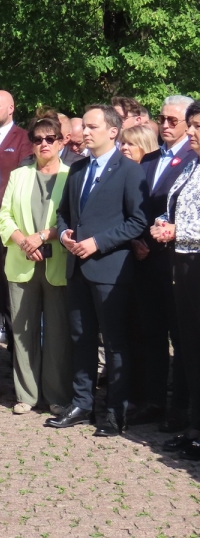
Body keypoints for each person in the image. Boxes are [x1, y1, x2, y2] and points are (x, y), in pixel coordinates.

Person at [48, 104, 148, 437]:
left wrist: (98, 242)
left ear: (113, 131)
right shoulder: (78, 169)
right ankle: (82, 403)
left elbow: (138, 220)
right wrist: (64, 233)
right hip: (77, 268)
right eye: (84, 126)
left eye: (92, 127)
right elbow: (63, 212)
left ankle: (115, 412)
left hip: (110, 270)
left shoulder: (129, 171)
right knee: (82, 339)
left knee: (116, 343)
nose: (85, 132)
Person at [128, 96, 197, 429]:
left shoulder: (193, 159)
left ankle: (181, 408)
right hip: (145, 257)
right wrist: (137, 239)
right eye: (163, 119)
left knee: (181, 338)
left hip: (179, 261)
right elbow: (138, 206)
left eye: (174, 120)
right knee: (150, 332)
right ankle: (152, 400)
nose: (165, 125)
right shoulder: (150, 158)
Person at [0, 118, 72, 415]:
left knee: (58, 334)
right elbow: (4, 217)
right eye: (38, 139)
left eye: (50, 138)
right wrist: (23, 241)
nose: (44, 144)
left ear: (61, 142)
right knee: (22, 333)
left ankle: (57, 395)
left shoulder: (71, 175)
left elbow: (72, 218)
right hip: (21, 261)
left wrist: (41, 237)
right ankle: (26, 395)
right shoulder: (19, 175)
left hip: (58, 264)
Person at [150, 100, 200, 459]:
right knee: (188, 347)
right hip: (181, 264)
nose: (191, 132)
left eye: (198, 127)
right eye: (192, 126)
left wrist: (178, 230)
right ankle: (194, 426)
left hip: (196, 260)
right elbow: (174, 205)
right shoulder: (192, 164)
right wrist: (162, 223)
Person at [0, 90, 32, 351]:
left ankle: (16, 352)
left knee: (8, 287)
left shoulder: (23, 139)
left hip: (8, 223)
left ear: (11, 108)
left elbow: (23, 179)